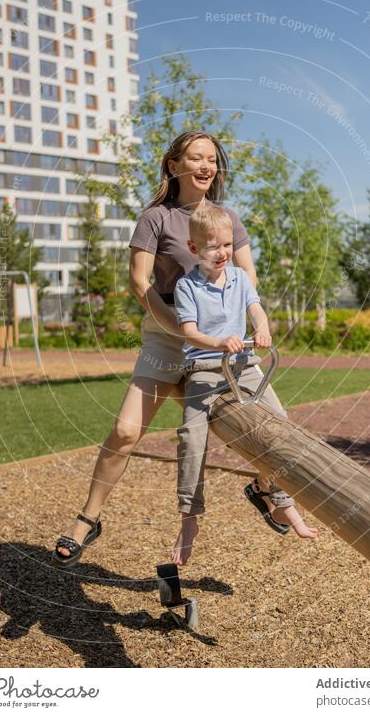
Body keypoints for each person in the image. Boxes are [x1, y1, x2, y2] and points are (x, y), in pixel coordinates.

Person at [53, 130, 258, 566]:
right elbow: (139, 282)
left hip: (220, 342)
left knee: (249, 422)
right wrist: (178, 328)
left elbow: (248, 278)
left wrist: (237, 324)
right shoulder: (156, 219)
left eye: (212, 159)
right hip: (167, 336)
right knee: (126, 431)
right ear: (173, 166)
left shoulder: (226, 217)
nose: (206, 166)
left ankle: (264, 488)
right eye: (196, 158)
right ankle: (88, 519)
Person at [171, 204, 318, 566]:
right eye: (211, 247)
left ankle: (280, 499)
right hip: (206, 368)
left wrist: (262, 329)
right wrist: (218, 342)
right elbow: (189, 331)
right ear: (194, 250)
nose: (221, 253)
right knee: (192, 436)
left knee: (280, 424)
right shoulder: (186, 285)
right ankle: (190, 518)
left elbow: (255, 309)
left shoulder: (238, 277)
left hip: (244, 366)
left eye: (226, 245)